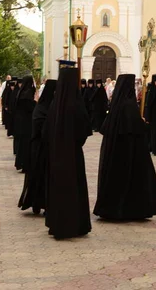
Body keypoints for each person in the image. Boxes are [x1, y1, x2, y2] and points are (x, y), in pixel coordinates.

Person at [93, 74, 156, 220]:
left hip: (115, 154)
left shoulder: (116, 104)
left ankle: (112, 208)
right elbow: (135, 129)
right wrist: (142, 124)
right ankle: (130, 209)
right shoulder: (129, 104)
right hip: (129, 153)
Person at [45, 68, 92, 239]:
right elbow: (84, 130)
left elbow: (46, 130)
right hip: (73, 155)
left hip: (56, 154)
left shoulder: (54, 104)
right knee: (74, 187)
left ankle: (57, 224)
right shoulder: (76, 104)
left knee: (58, 188)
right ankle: (75, 224)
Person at [18, 79, 57, 214]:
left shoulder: (45, 107)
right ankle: (35, 202)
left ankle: (45, 203)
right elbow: (40, 128)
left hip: (44, 148)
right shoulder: (41, 109)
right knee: (38, 176)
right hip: (39, 148)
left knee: (44, 177)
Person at [14, 76, 36, 172]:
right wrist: (36, 102)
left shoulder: (21, 92)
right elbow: (30, 107)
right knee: (27, 143)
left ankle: (21, 163)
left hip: (21, 121)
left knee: (23, 143)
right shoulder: (28, 93)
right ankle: (26, 164)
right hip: (27, 121)